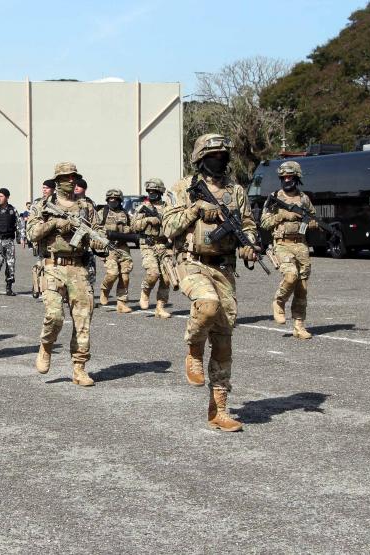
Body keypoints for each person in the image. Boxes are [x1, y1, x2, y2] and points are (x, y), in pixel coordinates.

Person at [162, 133, 258, 432]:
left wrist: (249, 245)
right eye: (214, 155)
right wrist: (195, 209)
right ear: (200, 159)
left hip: (224, 268)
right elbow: (168, 227)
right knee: (206, 305)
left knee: (224, 340)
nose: (220, 160)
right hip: (190, 263)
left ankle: (219, 410)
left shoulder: (236, 191)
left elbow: (248, 225)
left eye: (223, 155)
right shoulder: (182, 189)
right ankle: (192, 350)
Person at [26, 162, 103, 386]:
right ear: (58, 180)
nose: (72, 181)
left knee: (83, 320)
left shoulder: (86, 207)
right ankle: (46, 346)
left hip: (78, 268)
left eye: (74, 177)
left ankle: (79, 368)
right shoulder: (42, 205)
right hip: (52, 266)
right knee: (54, 316)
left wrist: (98, 241)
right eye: (67, 177)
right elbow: (32, 233)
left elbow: (98, 232)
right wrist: (55, 223)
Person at [259, 160, 318, 339]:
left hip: (301, 245)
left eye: (290, 176)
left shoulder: (304, 199)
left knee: (302, 287)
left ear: (296, 177)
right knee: (290, 275)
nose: (286, 180)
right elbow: (264, 222)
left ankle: (299, 325)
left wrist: (311, 223)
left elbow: (313, 218)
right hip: (282, 244)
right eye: (283, 177)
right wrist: (283, 215)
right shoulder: (275, 197)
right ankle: (279, 301)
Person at [131, 178, 175, 318]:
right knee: (153, 273)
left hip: (164, 245)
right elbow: (133, 226)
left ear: (160, 191)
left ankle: (160, 307)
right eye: (149, 191)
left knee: (167, 278)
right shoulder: (143, 208)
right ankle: (145, 292)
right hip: (148, 244)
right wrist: (147, 220)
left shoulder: (167, 207)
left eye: (154, 191)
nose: (151, 193)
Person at [98, 188, 134, 313]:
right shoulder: (103, 212)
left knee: (125, 276)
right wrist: (111, 229)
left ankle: (122, 302)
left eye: (115, 199)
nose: (113, 201)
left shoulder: (125, 213)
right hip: (109, 247)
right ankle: (105, 289)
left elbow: (133, 227)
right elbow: (96, 229)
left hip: (123, 247)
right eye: (110, 199)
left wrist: (126, 230)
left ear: (120, 200)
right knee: (112, 273)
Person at [0, 187, 19, 296]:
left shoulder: (13, 210)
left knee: (10, 264)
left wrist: (22, 237)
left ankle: (9, 287)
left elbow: (19, 224)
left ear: (7, 197)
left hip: (9, 241)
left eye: (1, 196)